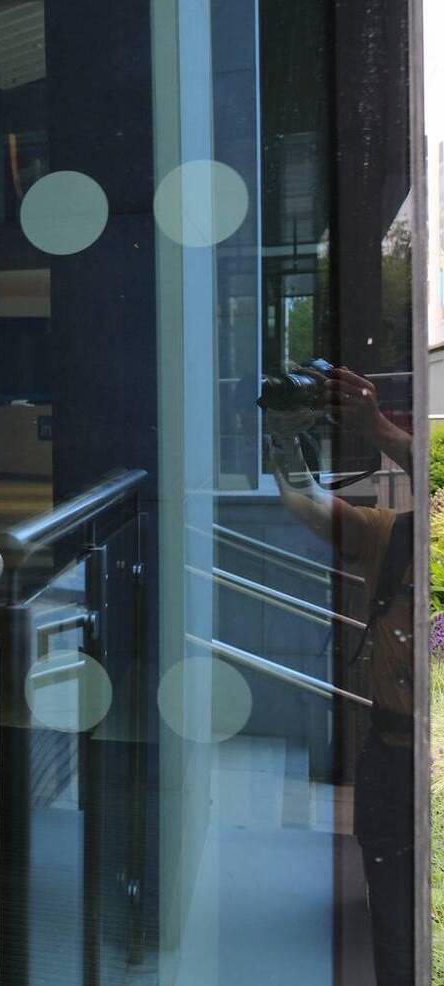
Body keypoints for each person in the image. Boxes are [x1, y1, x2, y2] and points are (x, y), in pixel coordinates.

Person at [267, 364, 414, 984]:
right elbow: (308, 501)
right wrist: (284, 439)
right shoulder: (396, 538)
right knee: (394, 920)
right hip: (391, 756)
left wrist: (375, 428)